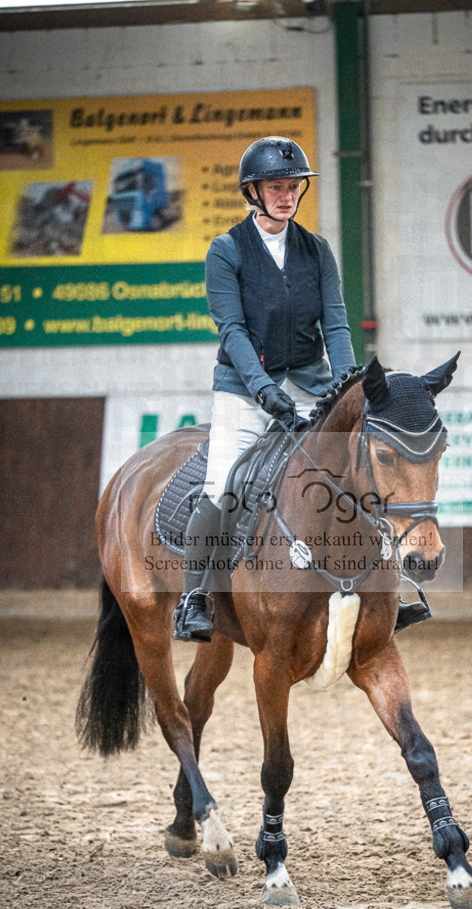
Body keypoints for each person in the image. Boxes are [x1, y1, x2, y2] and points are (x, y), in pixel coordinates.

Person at [173, 135, 356, 642]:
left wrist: (347, 388)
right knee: (223, 485)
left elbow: (336, 327)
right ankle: (196, 596)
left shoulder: (316, 250)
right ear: (252, 192)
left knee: (360, 468)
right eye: (276, 187)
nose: (287, 195)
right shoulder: (226, 251)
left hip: (310, 382)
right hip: (244, 387)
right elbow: (232, 331)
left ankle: (393, 586)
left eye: (294, 186)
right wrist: (262, 392)